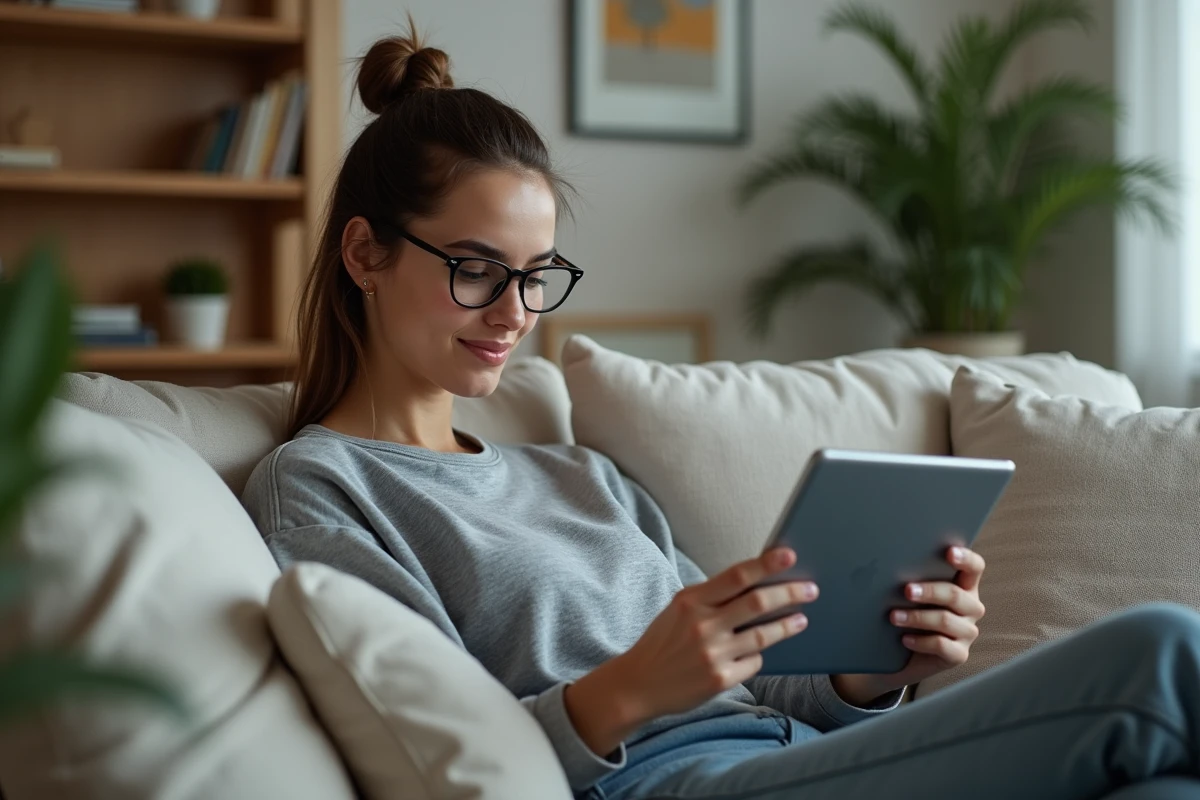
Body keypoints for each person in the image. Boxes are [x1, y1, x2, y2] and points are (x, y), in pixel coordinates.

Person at [241, 26, 1200, 800]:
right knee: (1162, 649)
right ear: (365, 256)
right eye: (478, 268)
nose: (515, 313)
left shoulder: (577, 472)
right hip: (672, 783)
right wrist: (627, 690)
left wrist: (870, 670)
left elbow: (752, 678)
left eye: (538, 277)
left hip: (781, 752)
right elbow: (435, 759)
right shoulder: (324, 486)